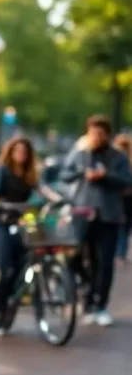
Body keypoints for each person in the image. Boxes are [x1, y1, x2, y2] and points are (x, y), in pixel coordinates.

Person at [0, 136, 63, 333]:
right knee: (7, 266)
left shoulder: (30, 173)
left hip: (20, 222)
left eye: (25, 152)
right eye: (17, 151)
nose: (21, 155)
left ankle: (13, 302)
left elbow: (43, 189)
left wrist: (60, 200)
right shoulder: (1, 170)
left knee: (22, 264)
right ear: (10, 152)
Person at [60, 115, 132, 327]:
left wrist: (105, 175)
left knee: (105, 262)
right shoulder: (80, 154)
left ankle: (99, 305)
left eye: (100, 133)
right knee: (74, 257)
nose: (96, 137)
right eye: (92, 133)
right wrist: (82, 172)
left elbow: (127, 180)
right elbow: (64, 174)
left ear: (107, 135)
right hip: (82, 212)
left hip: (108, 216)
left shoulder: (117, 157)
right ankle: (86, 292)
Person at [113, 134, 132, 263]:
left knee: (123, 226)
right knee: (123, 227)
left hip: (125, 198)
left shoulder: (118, 160)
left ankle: (120, 252)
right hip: (121, 198)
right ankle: (120, 253)